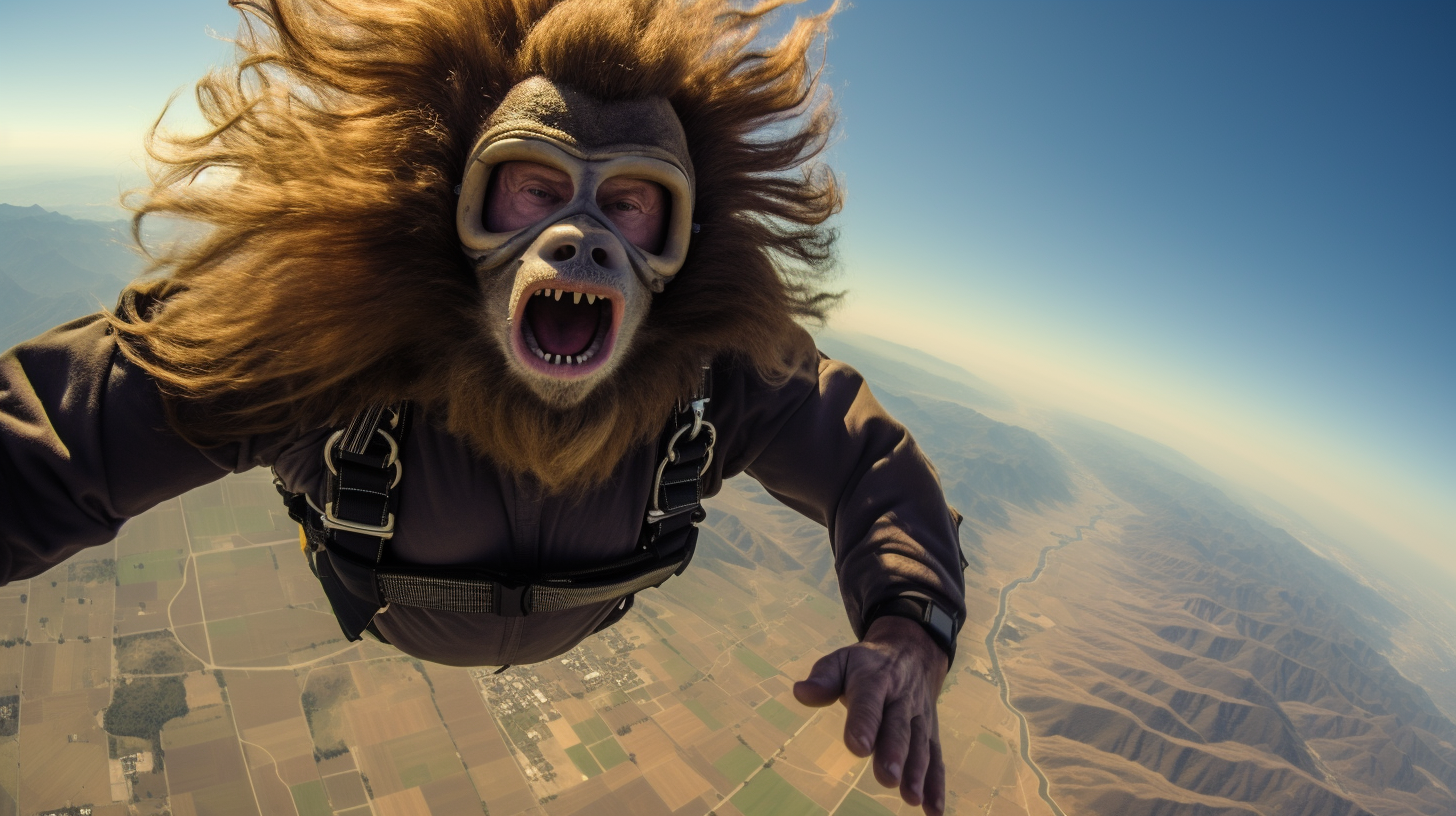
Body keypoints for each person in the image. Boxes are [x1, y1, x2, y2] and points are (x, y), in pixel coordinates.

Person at [0, 1, 966, 812]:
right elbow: (56, 440)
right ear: (457, 209)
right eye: (534, 189)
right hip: (397, 612)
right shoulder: (331, 349)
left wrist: (908, 627)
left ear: (684, 250)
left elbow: (865, 463)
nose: (582, 239)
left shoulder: (716, 373)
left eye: (634, 206)